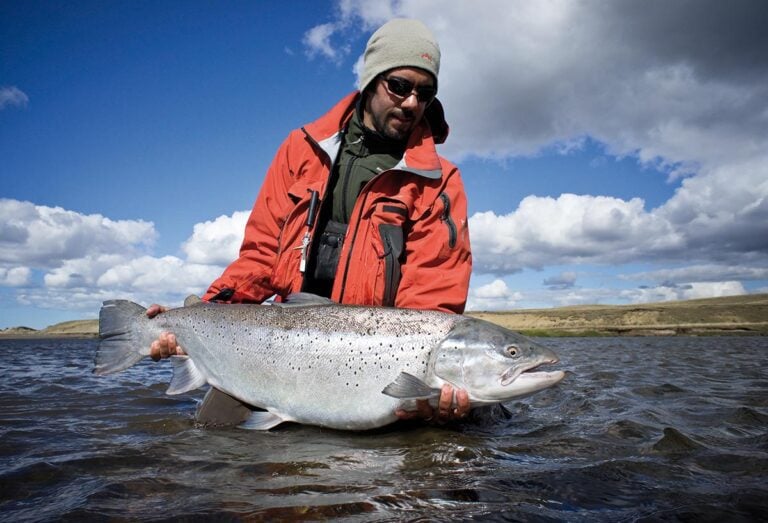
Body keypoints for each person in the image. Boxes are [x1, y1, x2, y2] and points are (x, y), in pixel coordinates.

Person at [149, 18, 473, 424]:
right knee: (213, 439)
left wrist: (427, 387)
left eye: (425, 94)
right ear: (372, 80)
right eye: (399, 86)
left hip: (371, 364)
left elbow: (432, 298)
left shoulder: (441, 181)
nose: (411, 103)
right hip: (283, 347)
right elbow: (262, 254)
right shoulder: (299, 149)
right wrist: (203, 316)